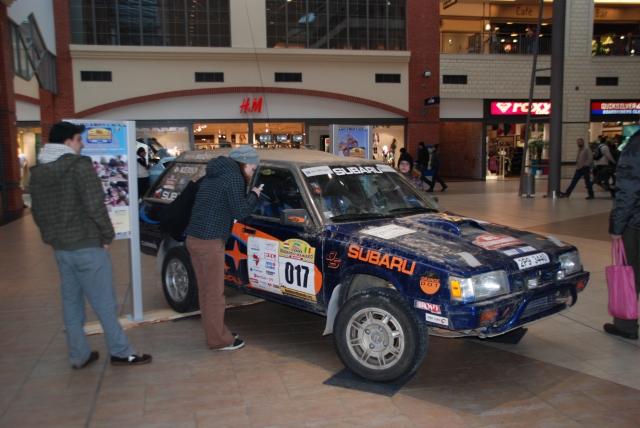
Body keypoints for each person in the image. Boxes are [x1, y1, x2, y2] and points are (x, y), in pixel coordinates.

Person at [29, 121, 152, 369]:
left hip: (62, 248)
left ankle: (79, 355)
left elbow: (37, 211)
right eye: (78, 139)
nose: (81, 144)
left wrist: (52, 238)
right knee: (104, 303)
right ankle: (121, 351)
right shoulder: (79, 166)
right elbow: (96, 204)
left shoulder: (39, 172)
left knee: (71, 303)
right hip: (87, 246)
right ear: (67, 143)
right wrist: (106, 236)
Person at [185, 145, 262, 351]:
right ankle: (219, 340)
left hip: (194, 239)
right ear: (245, 164)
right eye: (252, 169)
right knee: (215, 295)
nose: (251, 173)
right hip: (209, 242)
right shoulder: (234, 177)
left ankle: (215, 333)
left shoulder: (215, 173)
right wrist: (254, 194)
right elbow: (242, 210)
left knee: (206, 292)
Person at [605, 129, 640, 340]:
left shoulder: (636, 146)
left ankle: (626, 326)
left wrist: (616, 227)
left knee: (631, 272)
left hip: (636, 224)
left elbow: (629, 189)